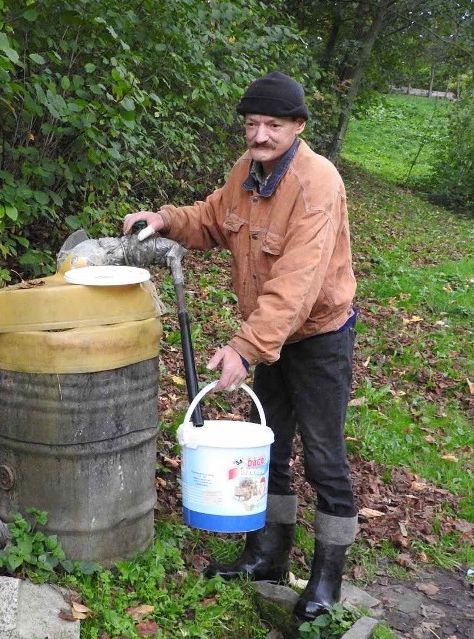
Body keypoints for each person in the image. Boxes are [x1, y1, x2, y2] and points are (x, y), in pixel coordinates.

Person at [122, 71, 358, 622]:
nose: (259, 135)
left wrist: (246, 347)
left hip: (319, 335)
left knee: (324, 457)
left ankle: (327, 579)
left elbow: (298, 282)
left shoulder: (316, 183)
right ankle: (268, 556)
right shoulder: (246, 174)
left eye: (273, 125)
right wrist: (167, 220)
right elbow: (212, 218)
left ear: (297, 126)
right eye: (252, 124)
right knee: (270, 446)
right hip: (273, 336)